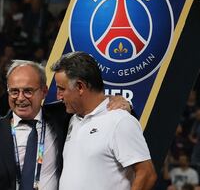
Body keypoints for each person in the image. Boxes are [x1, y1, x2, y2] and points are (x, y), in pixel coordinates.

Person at [0, 59, 130, 190]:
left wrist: (117, 100)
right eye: (14, 91)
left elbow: (91, 101)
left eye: (28, 91)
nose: (20, 98)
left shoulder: (63, 115)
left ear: (44, 92)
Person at [50, 51, 157, 190]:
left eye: (61, 89)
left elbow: (147, 174)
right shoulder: (72, 119)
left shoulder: (120, 121)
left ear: (80, 87)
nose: (58, 96)